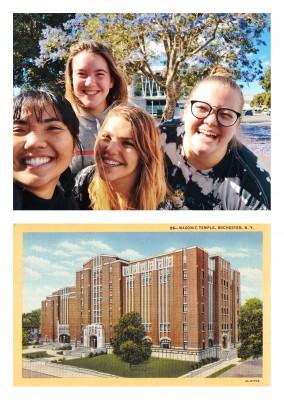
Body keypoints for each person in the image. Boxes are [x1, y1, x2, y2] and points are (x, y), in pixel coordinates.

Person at [160, 66, 271, 210]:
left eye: (225, 114)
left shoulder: (255, 191)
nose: (211, 121)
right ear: (186, 111)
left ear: (237, 124)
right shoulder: (155, 139)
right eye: (202, 108)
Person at [73, 105, 183, 210]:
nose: (110, 149)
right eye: (107, 137)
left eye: (127, 143)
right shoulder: (84, 182)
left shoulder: (165, 209)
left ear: (145, 154)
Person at [65, 40, 128, 175]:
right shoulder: (60, 124)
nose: (90, 82)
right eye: (82, 74)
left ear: (111, 81)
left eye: (100, 74)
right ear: (71, 79)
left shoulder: (132, 123)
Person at [13, 86, 81, 210]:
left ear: (74, 144)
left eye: (52, 128)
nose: (34, 142)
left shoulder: (70, 206)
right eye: (18, 130)